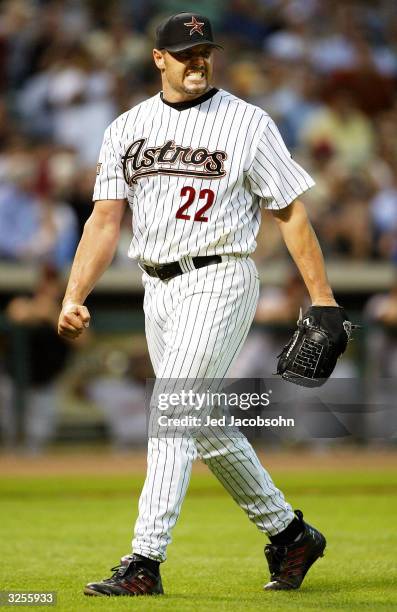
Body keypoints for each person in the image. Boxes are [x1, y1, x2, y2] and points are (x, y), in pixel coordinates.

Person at [58, 12, 344, 596]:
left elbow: (289, 210)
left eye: (204, 51)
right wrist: (73, 294)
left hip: (220, 276)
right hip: (156, 285)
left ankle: (144, 562)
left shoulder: (247, 122)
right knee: (203, 426)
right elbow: (105, 218)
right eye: (185, 52)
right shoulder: (126, 127)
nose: (197, 61)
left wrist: (324, 299)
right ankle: (290, 534)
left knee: (173, 411)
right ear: (158, 58)